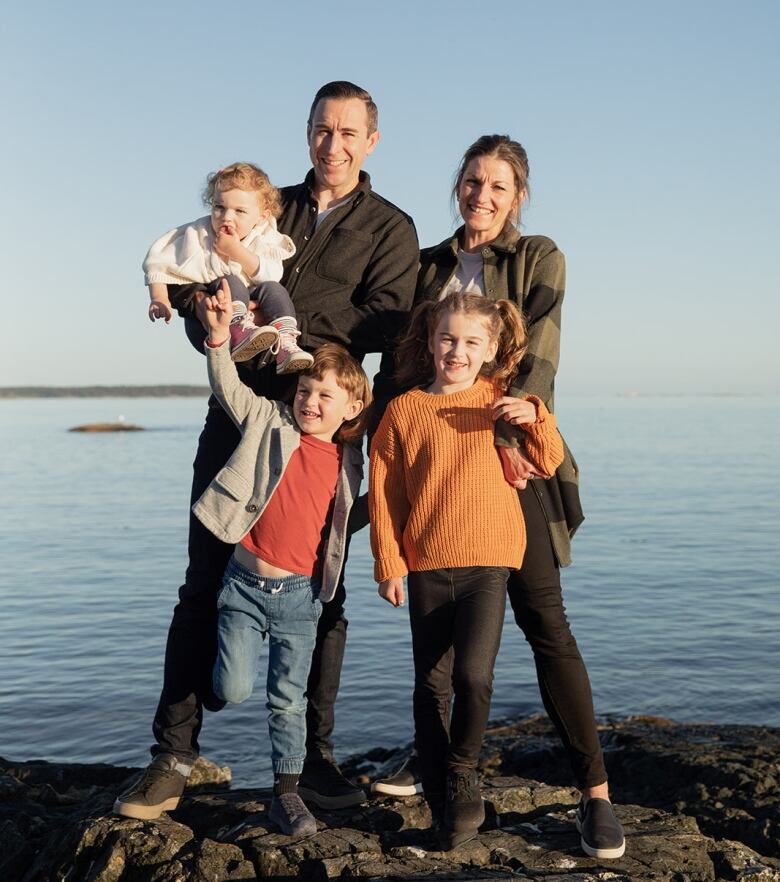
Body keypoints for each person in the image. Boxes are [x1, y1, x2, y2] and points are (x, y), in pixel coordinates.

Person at [114, 81, 418, 821]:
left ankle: (312, 761)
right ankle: (175, 756)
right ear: (308, 132)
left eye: (349, 132)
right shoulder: (258, 204)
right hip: (242, 416)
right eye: (322, 129)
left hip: (324, 427)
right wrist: (210, 314)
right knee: (204, 579)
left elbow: (387, 322)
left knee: (325, 592)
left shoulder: (390, 228)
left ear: (371, 141)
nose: (333, 144)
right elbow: (194, 280)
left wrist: (290, 329)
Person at [371, 134, 625, 860]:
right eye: (473, 181)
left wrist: (515, 436)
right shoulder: (428, 267)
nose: (482, 195)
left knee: (548, 630)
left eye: (499, 186)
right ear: (458, 184)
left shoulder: (539, 256)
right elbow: (408, 366)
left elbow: (539, 354)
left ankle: (596, 795)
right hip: (447, 474)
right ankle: (440, 771)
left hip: (516, 463)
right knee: (442, 659)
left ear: (518, 197)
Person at [369, 292, 564, 850]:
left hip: (491, 561)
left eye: (471, 342)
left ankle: (463, 773)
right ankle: (442, 805)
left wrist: (537, 415)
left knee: (472, 678)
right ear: (429, 342)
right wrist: (389, 562)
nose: (456, 350)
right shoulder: (405, 410)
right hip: (427, 561)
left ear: (491, 349)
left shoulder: (501, 401)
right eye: (447, 339)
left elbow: (548, 460)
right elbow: (385, 494)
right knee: (430, 685)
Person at [184, 285, 369, 835]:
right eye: (306, 390)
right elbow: (228, 390)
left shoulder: (349, 462)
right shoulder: (270, 422)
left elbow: (344, 521)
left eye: (325, 396)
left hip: (300, 598)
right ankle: (219, 671)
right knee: (235, 689)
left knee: (287, 701)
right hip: (242, 584)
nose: (310, 402)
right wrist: (219, 340)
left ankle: (286, 794)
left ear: (352, 407)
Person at [143, 162, 312, 372]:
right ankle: (238, 329)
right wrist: (159, 299)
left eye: (240, 211)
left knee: (274, 289)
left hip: (254, 303)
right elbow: (161, 264)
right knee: (230, 280)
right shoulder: (201, 234)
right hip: (214, 314)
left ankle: (286, 343)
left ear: (262, 216)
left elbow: (273, 274)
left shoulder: (265, 236)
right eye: (219, 207)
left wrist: (236, 251)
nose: (226, 217)